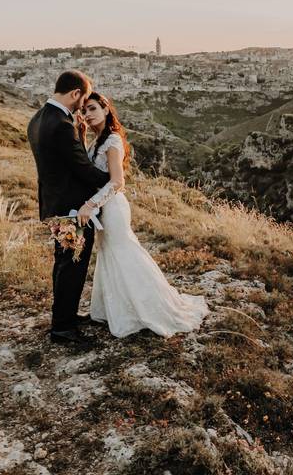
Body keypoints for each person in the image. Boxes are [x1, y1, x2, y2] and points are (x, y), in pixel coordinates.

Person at [78, 92, 209, 337]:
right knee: (108, 254)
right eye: (84, 110)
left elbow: (118, 182)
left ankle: (148, 308)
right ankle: (114, 308)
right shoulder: (96, 141)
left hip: (112, 207)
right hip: (102, 207)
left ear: (106, 109)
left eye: (93, 108)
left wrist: (90, 205)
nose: (88, 114)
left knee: (124, 252)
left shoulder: (112, 141)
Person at [26, 70, 111, 344]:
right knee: (72, 266)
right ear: (75, 93)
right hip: (70, 210)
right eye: (83, 98)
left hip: (53, 206)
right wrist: (112, 180)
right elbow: (83, 168)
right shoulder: (62, 124)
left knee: (64, 264)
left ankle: (65, 316)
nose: (83, 105)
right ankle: (63, 328)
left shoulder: (37, 118)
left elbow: (64, 162)